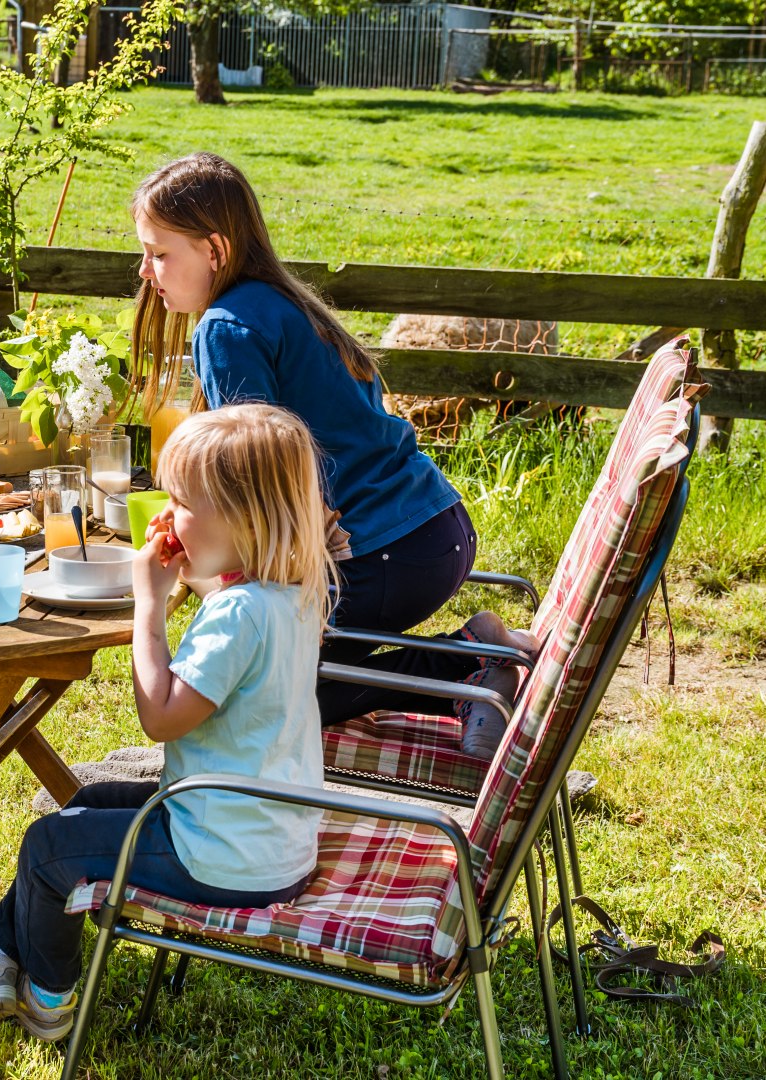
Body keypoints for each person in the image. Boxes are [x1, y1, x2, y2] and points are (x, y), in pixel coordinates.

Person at [0, 404, 332, 1042]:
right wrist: (195, 575)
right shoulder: (289, 592)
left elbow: (160, 717)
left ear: (241, 516)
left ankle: (47, 1000)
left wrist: (150, 605)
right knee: (91, 800)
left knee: (48, 846)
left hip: (221, 854)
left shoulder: (238, 614)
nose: (165, 515)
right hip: (271, 835)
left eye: (181, 500)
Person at [128, 152, 531, 757]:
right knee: (278, 680)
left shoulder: (226, 327)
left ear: (213, 248)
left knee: (257, 696)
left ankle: (467, 667)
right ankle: (469, 656)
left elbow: (250, 476)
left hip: (378, 554)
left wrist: (200, 565)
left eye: (160, 253)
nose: (145, 271)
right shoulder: (282, 301)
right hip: (434, 531)